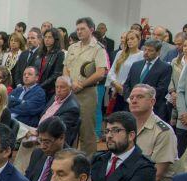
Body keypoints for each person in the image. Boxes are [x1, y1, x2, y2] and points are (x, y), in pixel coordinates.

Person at [64, 17, 108, 155]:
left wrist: (81, 84)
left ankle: (88, 163)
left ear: (91, 29)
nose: (79, 32)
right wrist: (70, 82)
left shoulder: (98, 49)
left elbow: (101, 73)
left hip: (87, 92)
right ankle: (69, 159)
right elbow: (65, 68)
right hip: (71, 91)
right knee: (69, 127)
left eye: (82, 29)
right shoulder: (72, 47)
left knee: (86, 130)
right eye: (77, 29)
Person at [129, 84, 178, 181]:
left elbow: (155, 175)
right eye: (131, 98)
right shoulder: (126, 127)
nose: (134, 101)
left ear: (152, 102)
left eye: (140, 97)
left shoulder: (163, 132)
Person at [24, 116, 67, 181]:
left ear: (61, 138)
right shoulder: (37, 154)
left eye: (47, 142)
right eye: (40, 141)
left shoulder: (70, 161)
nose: (43, 146)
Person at [123, 40, 173, 117]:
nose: (146, 52)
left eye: (150, 50)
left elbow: (161, 89)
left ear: (158, 52)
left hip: (153, 109)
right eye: (145, 49)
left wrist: (142, 100)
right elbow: (127, 84)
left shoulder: (165, 67)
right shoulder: (136, 65)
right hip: (132, 107)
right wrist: (130, 98)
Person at [168, 36, 187, 146]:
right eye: (184, 46)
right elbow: (170, 78)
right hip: (173, 96)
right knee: (173, 127)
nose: (185, 48)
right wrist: (173, 93)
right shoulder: (175, 61)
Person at [106, 30, 143, 113]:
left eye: (132, 39)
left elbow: (139, 75)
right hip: (117, 90)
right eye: (128, 39)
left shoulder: (142, 55)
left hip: (131, 92)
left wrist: (124, 87)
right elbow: (112, 71)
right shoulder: (120, 53)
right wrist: (115, 84)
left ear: (139, 39)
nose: (129, 41)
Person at [38, 76, 80, 145]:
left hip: (51, 138)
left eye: (62, 87)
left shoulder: (72, 107)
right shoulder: (55, 97)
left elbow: (57, 128)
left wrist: (38, 132)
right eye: (57, 87)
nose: (58, 90)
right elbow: (44, 114)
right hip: (40, 130)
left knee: (27, 141)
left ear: (70, 88)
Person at [37, 28, 65, 99]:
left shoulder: (60, 54)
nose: (46, 39)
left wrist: (41, 86)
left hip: (49, 90)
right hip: (37, 87)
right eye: (45, 37)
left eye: (49, 37)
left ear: (55, 39)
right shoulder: (41, 53)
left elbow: (56, 75)